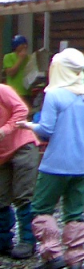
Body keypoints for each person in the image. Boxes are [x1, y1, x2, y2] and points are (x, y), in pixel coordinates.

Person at [16, 48, 84, 269]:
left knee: (41, 208)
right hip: (82, 165)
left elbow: (46, 130)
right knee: (74, 213)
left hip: (55, 164)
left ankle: (52, 254)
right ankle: (75, 260)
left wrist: (28, 126)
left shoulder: (54, 95)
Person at [0, 80, 40, 259]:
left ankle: (27, 241)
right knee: (1, 197)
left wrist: (5, 129)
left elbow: (22, 110)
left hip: (21, 145)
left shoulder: (3, 90)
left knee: (23, 194)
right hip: (2, 154)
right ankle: (3, 240)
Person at [3, 35, 31, 104]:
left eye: (25, 44)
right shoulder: (8, 57)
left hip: (27, 92)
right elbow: (10, 73)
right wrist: (20, 59)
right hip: (14, 92)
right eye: (22, 44)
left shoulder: (29, 58)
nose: (25, 47)